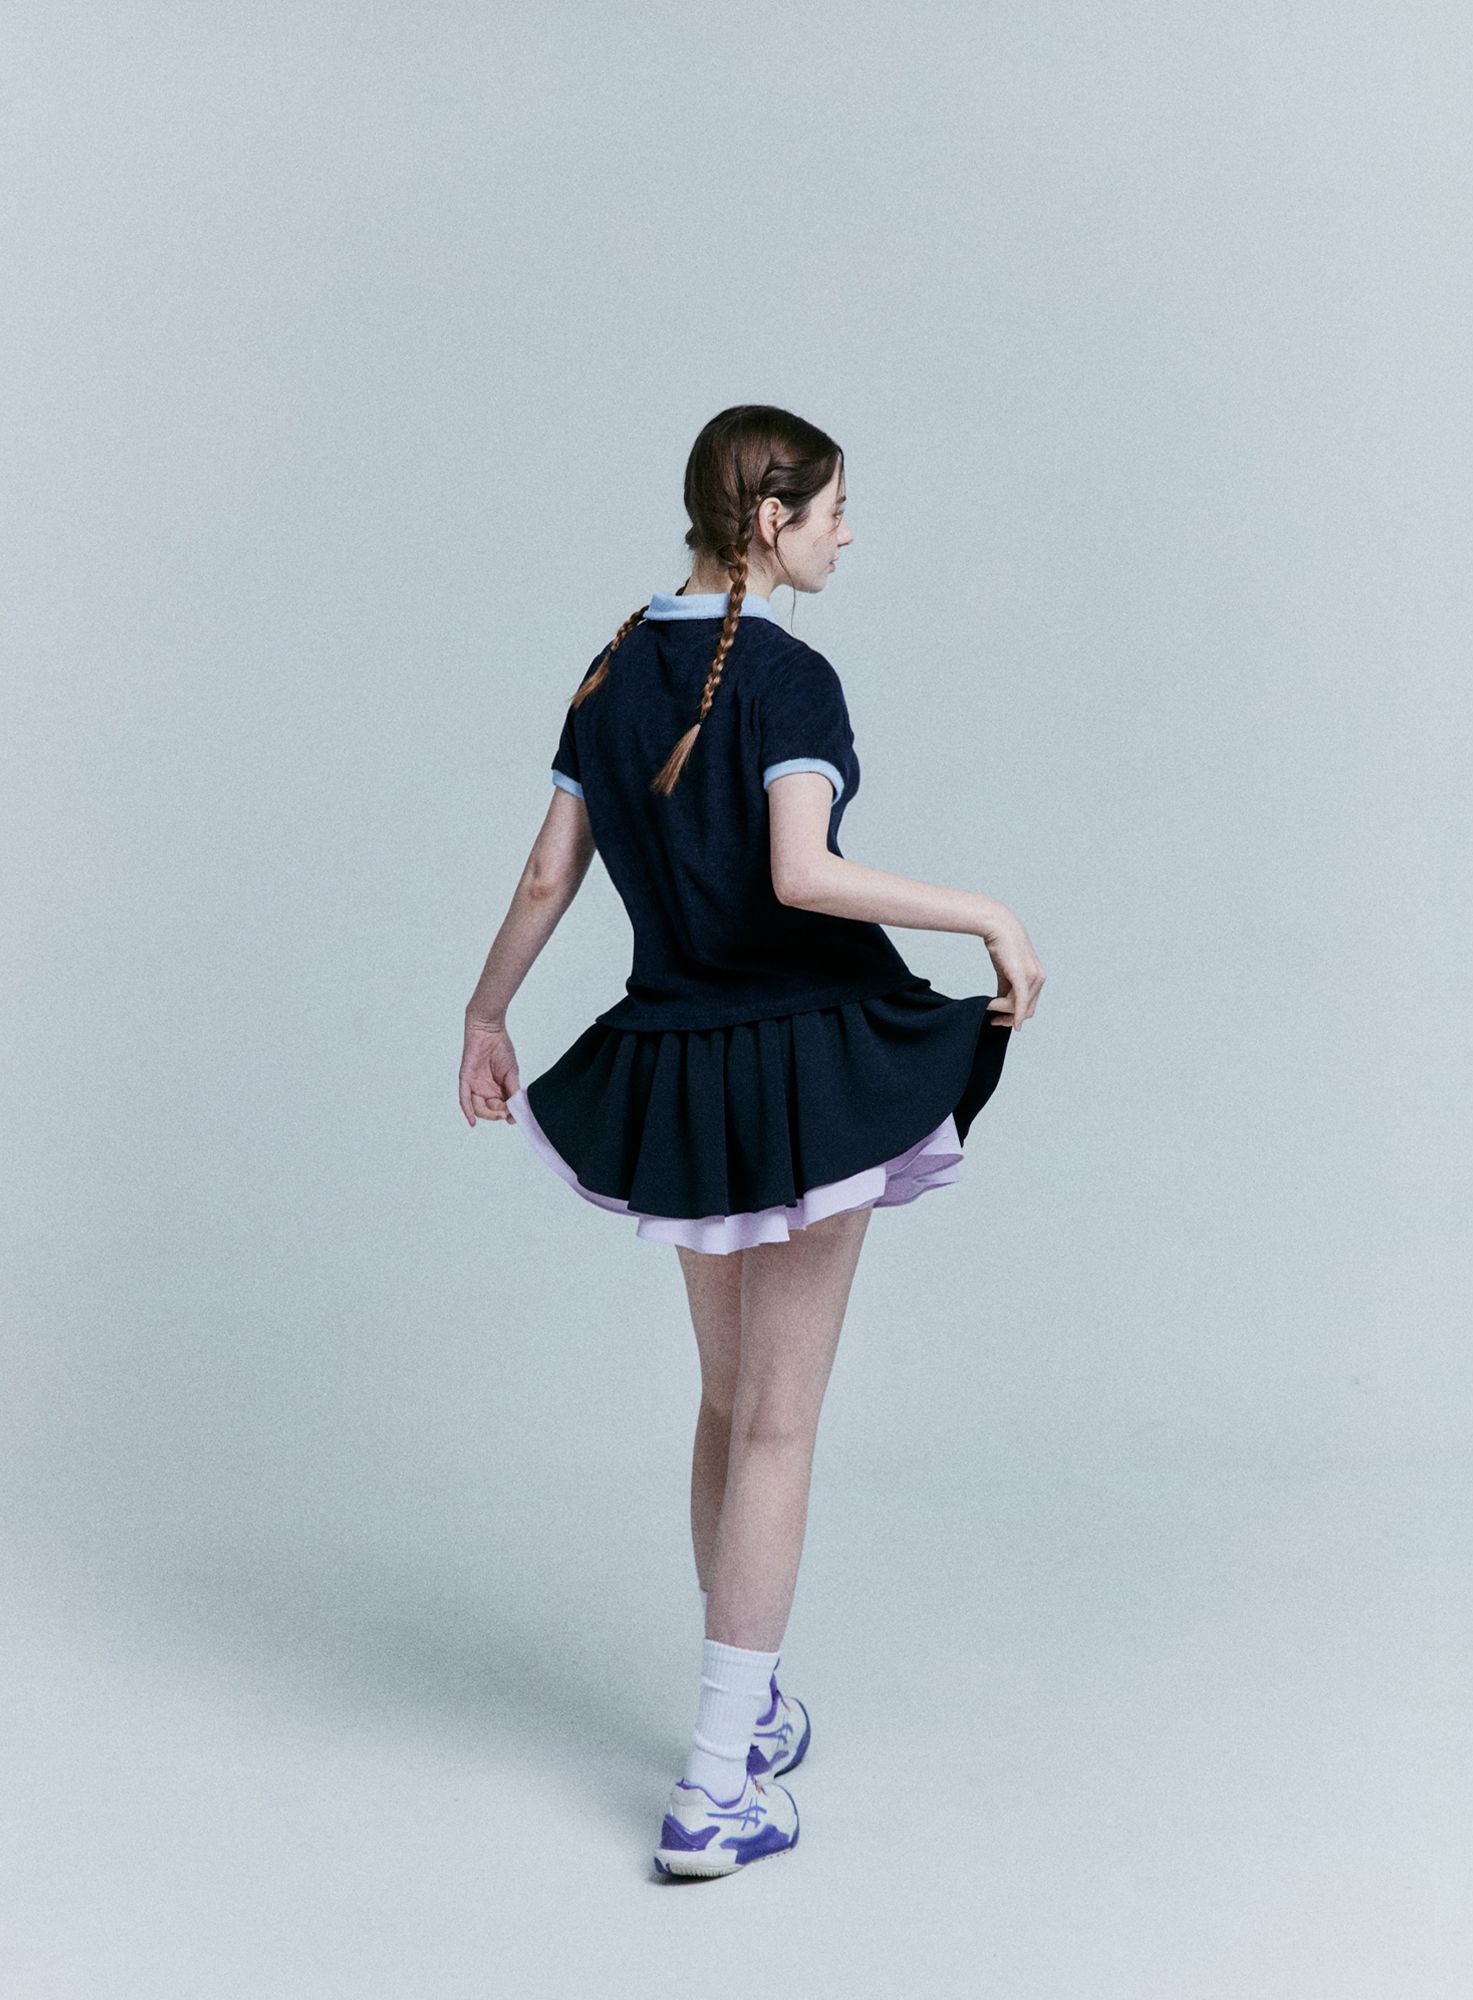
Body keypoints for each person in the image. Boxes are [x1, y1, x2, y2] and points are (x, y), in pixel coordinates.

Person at [459, 404, 1045, 1879]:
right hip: (798, 1073)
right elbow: (801, 873)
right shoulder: (789, 676)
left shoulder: (612, 669)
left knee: (729, 1406)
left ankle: (753, 1710)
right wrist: (986, 912)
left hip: (681, 1075)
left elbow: (544, 878)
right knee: (779, 1421)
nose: (850, 533)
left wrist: (485, 1013)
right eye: (836, 509)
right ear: (771, 523)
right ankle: (715, 1784)